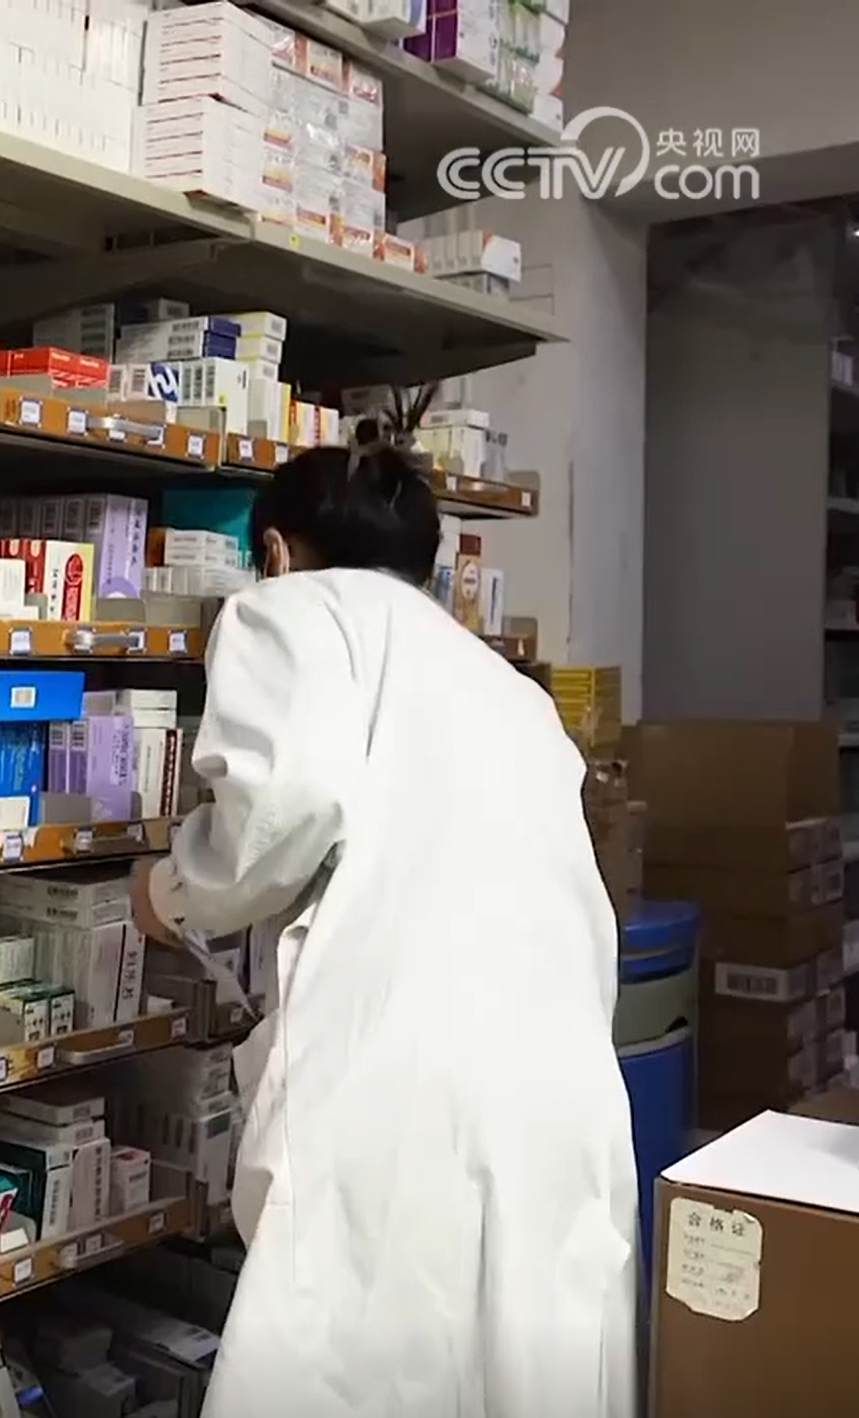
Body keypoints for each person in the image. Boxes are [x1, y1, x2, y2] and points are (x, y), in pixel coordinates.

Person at [127, 441, 637, 1418]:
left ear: (276, 551)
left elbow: (283, 811)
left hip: (403, 1081)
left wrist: (175, 889)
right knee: (528, 1371)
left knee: (350, 1364)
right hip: (559, 1085)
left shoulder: (289, 611)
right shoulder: (508, 686)